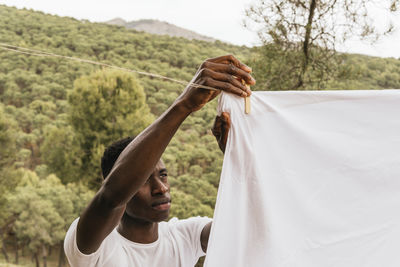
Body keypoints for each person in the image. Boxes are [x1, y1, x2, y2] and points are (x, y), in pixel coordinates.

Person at [64, 55, 256, 267]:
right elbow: (111, 197)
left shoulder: (184, 236)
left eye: (163, 175)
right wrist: (184, 105)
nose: (161, 188)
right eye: (144, 180)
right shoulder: (93, 246)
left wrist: (238, 158)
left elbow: (250, 229)